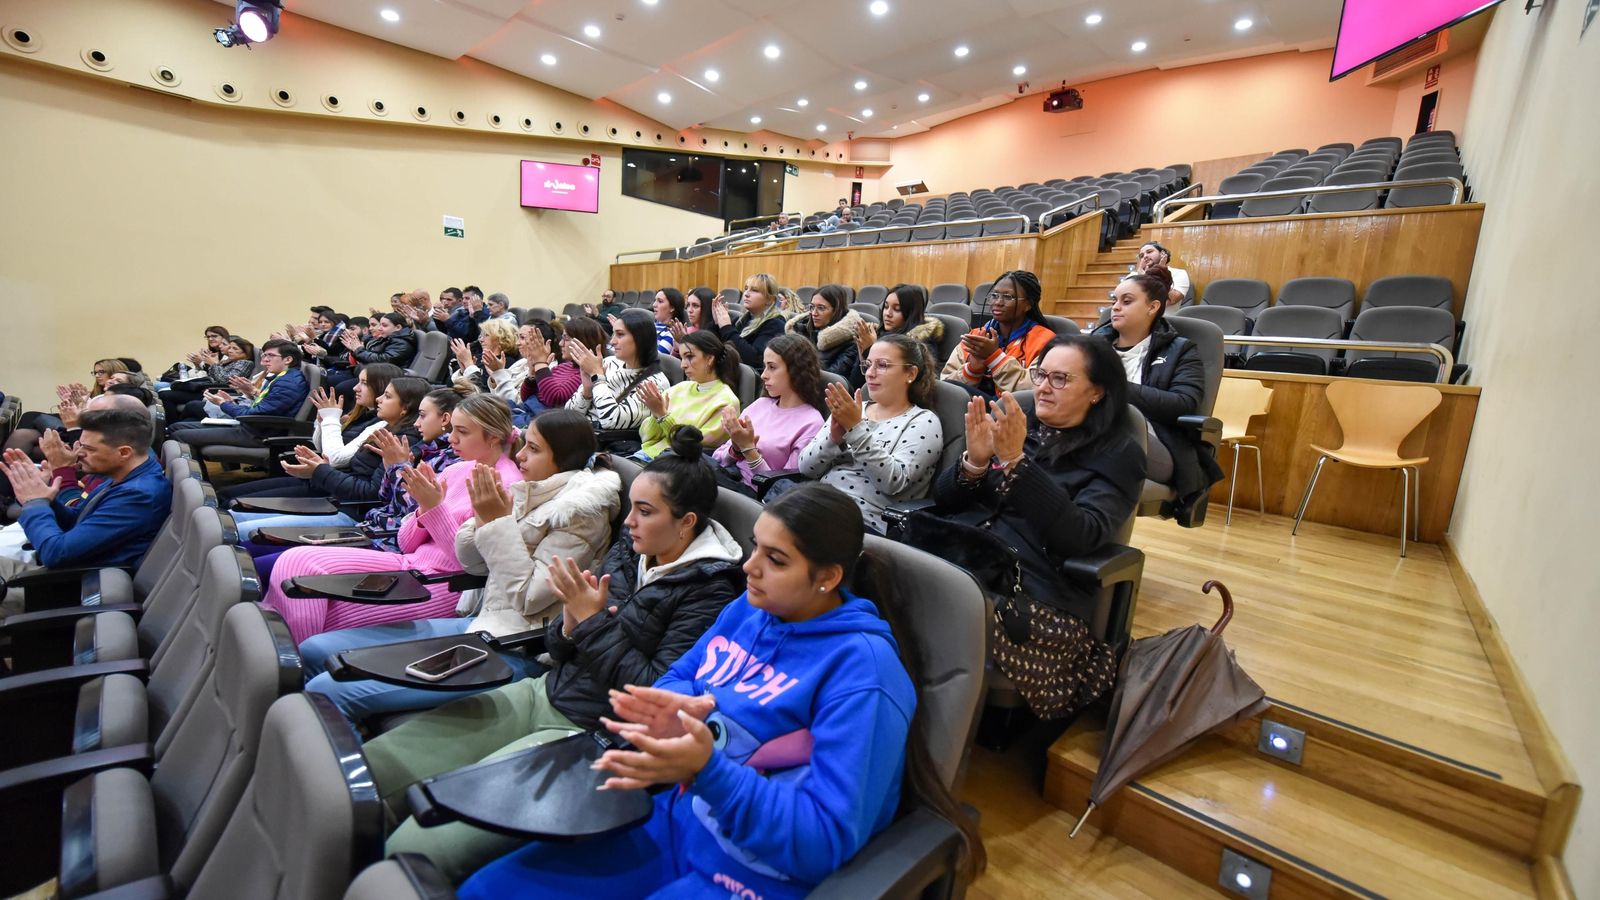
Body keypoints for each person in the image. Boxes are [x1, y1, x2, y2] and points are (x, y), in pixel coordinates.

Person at [458, 483, 982, 899]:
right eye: (756, 547)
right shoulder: (749, 608)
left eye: (776, 560)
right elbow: (678, 681)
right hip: (675, 818)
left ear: (827, 578)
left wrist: (707, 767)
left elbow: (822, 841)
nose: (748, 567)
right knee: (486, 889)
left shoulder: (865, 676)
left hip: (757, 872)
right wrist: (678, 719)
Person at [358, 427, 746, 881]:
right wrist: (570, 623)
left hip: (590, 731)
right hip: (545, 690)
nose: (629, 522)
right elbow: (560, 648)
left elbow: (656, 692)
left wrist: (593, 624)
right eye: (632, 508)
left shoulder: (710, 590)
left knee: (415, 847)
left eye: (645, 511)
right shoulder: (631, 550)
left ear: (687, 522)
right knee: (370, 773)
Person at [297, 409, 622, 722]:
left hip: (517, 645)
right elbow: (472, 563)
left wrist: (496, 522)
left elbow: (527, 598)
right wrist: (482, 517)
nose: (521, 456)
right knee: (315, 648)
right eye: (525, 445)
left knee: (328, 691)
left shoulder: (579, 513)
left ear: (564, 459)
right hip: (482, 620)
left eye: (534, 450)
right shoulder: (532, 490)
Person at [257, 393, 524, 643]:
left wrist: (433, 508)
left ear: (493, 438)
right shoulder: (459, 468)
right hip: (408, 562)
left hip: (445, 585)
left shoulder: (507, 485)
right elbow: (406, 542)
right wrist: (423, 510)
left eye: (462, 432)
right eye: (452, 429)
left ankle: (286, 661)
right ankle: (275, 652)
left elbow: (469, 563)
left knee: (323, 612)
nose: (451, 439)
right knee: (294, 560)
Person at [933, 334, 1146, 615]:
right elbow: (943, 501)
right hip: (962, 559)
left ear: (1098, 391)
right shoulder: (1018, 422)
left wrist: (1015, 463)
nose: (1044, 388)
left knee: (926, 619)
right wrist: (974, 463)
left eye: (1060, 379)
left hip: (1031, 591)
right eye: (1041, 375)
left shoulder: (1119, 453)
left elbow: (1081, 536)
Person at [240, 383, 455, 582]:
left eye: (387, 395)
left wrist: (324, 468)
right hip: (354, 511)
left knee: (254, 557)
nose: (357, 388)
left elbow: (380, 499)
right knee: (242, 532)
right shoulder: (389, 429)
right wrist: (323, 438)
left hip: (356, 516)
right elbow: (381, 494)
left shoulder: (415, 444)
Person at [0, 402, 171, 619]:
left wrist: (35, 503)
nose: (78, 453)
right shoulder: (126, 475)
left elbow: (56, 553)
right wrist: (47, 498)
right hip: (55, 576)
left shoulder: (139, 495)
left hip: (57, 590)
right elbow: (77, 518)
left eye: (88, 449)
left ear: (124, 452)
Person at [1091, 266, 1221, 521]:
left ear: (1152, 307)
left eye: (1126, 301)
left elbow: (1184, 404)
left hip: (1158, 440)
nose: (1115, 307)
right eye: (1114, 300)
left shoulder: (1181, 350)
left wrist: (1115, 387)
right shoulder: (1093, 346)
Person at [798, 334, 943, 534]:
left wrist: (856, 430)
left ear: (910, 373)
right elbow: (806, 468)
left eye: (882, 365)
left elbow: (893, 483)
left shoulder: (923, 421)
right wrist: (833, 439)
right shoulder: (856, 409)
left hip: (863, 523)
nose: (870, 373)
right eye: (867, 365)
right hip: (819, 503)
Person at [711, 333, 826, 488]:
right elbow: (718, 458)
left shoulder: (812, 423)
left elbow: (782, 489)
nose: (764, 375)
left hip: (753, 496)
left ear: (796, 370)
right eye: (765, 366)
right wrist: (736, 449)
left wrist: (748, 450)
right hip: (728, 478)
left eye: (772, 367)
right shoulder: (761, 404)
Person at [164, 340, 310, 451]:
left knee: (179, 434)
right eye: (264, 355)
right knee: (176, 427)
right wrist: (237, 401)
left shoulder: (288, 383)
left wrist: (225, 405)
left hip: (257, 434)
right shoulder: (282, 377)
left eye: (270, 356)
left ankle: (196, 483)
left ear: (288, 360)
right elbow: (264, 407)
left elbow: (257, 415)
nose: (264, 360)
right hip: (253, 426)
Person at [940, 270, 1054, 397]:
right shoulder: (977, 336)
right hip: (971, 406)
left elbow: (1035, 389)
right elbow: (946, 383)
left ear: (1028, 304)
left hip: (1011, 410)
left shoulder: (1044, 341)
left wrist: (994, 357)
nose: (998, 302)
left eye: (1007, 297)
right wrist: (972, 368)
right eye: (994, 295)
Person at [637, 330, 741, 460]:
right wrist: (656, 414)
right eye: (682, 358)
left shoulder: (726, 402)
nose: (683, 365)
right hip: (647, 454)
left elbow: (693, 445)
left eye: (689, 357)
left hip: (676, 465)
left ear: (709, 359)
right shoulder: (679, 388)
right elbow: (646, 436)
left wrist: (662, 416)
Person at [564, 308, 669, 432]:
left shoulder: (656, 383)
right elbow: (569, 415)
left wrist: (598, 378)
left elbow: (612, 421)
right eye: (613, 334)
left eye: (620, 334)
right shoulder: (608, 362)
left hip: (605, 446)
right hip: (580, 433)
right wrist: (586, 391)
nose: (612, 341)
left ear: (640, 338)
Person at [161, 335, 256, 421]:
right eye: (230, 347)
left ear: (246, 354)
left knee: (165, 395)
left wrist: (213, 363)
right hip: (208, 388)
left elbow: (225, 380)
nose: (230, 350)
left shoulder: (245, 363)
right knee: (166, 392)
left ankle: (170, 425)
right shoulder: (229, 361)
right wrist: (209, 363)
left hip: (215, 391)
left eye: (235, 349)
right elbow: (213, 375)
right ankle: (174, 425)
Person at [330, 312, 418, 395]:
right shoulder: (388, 338)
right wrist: (355, 349)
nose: (379, 328)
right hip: (372, 373)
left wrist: (358, 350)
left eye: (384, 325)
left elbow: (383, 360)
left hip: (385, 378)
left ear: (398, 327)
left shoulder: (402, 343)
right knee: (330, 380)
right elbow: (372, 353)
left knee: (340, 388)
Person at [788, 283, 863, 379]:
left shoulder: (851, 343)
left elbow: (830, 379)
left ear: (837, 310)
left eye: (821, 308)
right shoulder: (801, 331)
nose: (814, 313)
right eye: (812, 307)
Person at [713, 273, 787, 367]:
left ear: (770, 299)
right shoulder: (742, 320)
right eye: (746, 288)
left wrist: (726, 327)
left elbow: (754, 360)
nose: (746, 294)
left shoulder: (776, 325)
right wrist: (716, 324)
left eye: (754, 290)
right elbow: (717, 350)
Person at [451, 318, 520, 392]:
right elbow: (450, 385)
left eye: (486, 335)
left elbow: (483, 394)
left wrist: (469, 365)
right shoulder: (479, 357)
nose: (481, 340)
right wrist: (463, 370)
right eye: (481, 336)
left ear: (500, 338)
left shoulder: (507, 362)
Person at [651, 288, 686, 356]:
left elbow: (655, 359)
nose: (654, 305)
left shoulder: (673, 333)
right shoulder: (651, 325)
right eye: (655, 300)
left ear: (672, 308)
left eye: (660, 301)